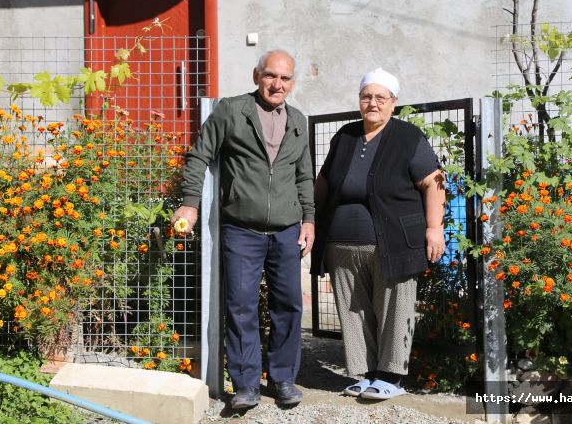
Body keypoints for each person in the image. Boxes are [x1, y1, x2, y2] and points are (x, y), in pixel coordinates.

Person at [171, 50, 315, 409]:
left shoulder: (298, 120)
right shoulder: (232, 111)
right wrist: (190, 202)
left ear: (292, 83)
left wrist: (309, 219)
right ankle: (246, 385)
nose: (277, 84)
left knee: (288, 306)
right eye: (271, 76)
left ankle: (283, 380)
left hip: (286, 231)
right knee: (240, 307)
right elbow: (199, 155)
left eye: (284, 78)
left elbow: (304, 176)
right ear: (257, 75)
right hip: (241, 229)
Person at [310, 68, 445, 400]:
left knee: (394, 307)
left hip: (394, 241)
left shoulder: (408, 137)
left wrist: (434, 228)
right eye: (366, 96)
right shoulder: (345, 136)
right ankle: (364, 373)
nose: (372, 103)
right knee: (352, 309)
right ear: (359, 100)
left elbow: (433, 182)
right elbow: (324, 182)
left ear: (393, 103)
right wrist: (309, 220)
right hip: (341, 243)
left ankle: (391, 377)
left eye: (380, 97)